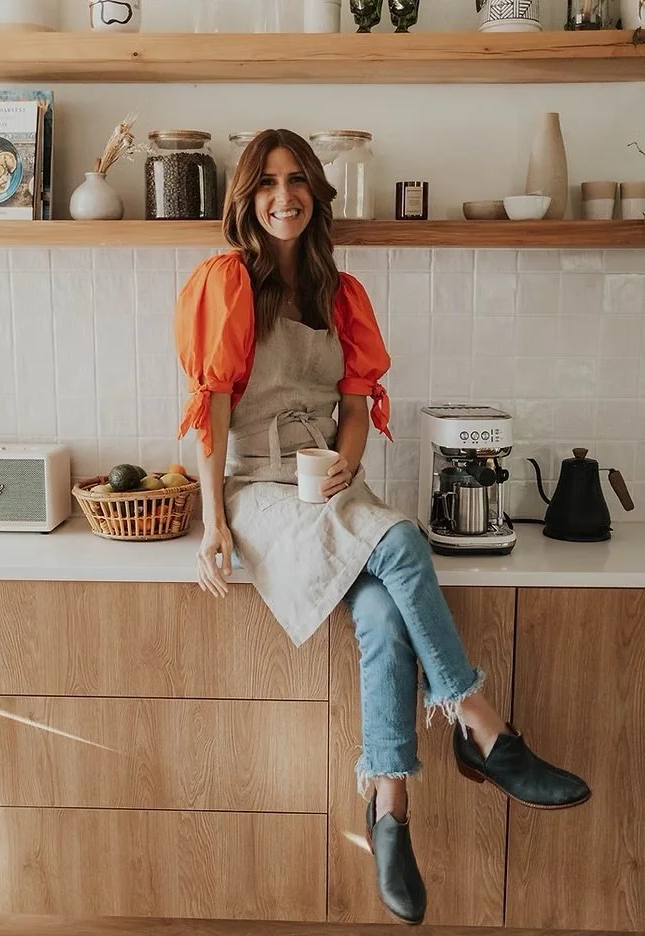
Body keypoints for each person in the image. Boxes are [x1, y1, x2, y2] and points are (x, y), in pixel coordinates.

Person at [174, 128, 591, 926]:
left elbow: (358, 410)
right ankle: (480, 727)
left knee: (379, 614)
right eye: (267, 183)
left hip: (325, 479)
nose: (283, 196)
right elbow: (213, 410)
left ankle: (390, 806)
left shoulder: (342, 293)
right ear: (246, 198)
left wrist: (342, 462)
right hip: (258, 488)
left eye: (297, 181)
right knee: (401, 540)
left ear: (317, 194)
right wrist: (214, 523)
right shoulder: (224, 282)